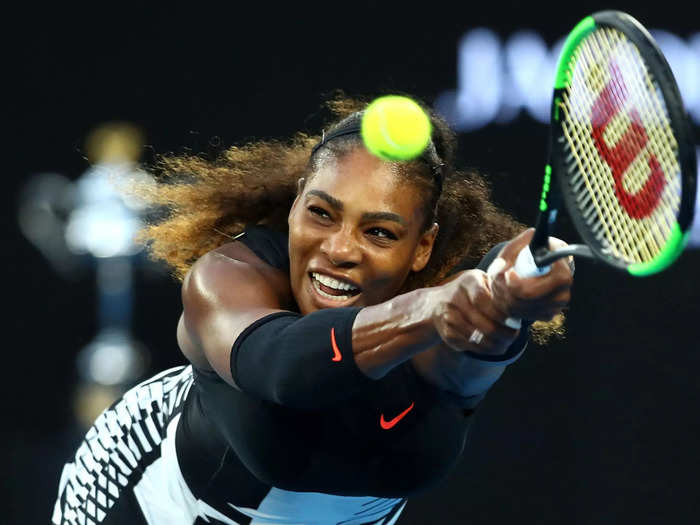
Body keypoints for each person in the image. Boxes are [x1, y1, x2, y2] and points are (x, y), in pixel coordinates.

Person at [52, 94, 573, 525]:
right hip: (138, 499)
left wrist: (508, 301)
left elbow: (474, 343)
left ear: (422, 247)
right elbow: (282, 369)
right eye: (322, 214)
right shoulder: (228, 277)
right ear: (298, 202)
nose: (341, 249)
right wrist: (428, 308)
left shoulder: (442, 333)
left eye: (380, 232)